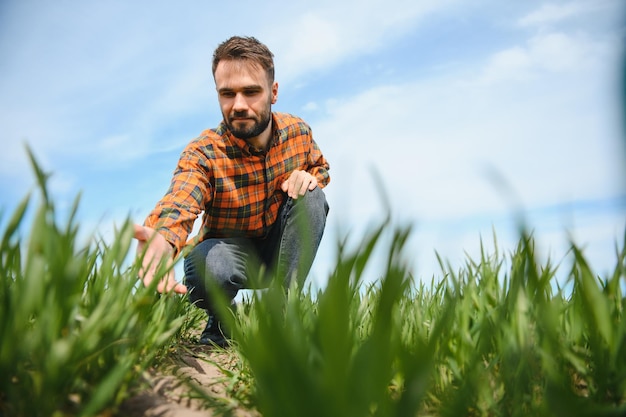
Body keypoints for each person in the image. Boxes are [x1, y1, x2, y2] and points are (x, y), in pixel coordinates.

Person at [133, 36, 330, 346]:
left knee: (314, 196)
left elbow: (320, 168)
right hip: (227, 257)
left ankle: (281, 319)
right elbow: (182, 196)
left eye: (251, 92)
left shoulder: (298, 132)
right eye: (228, 94)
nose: (239, 105)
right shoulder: (204, 152)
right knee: (206, 268)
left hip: (281, 250)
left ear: (273, 93)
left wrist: (308, 177)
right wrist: (164, 235)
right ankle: (222, 323)